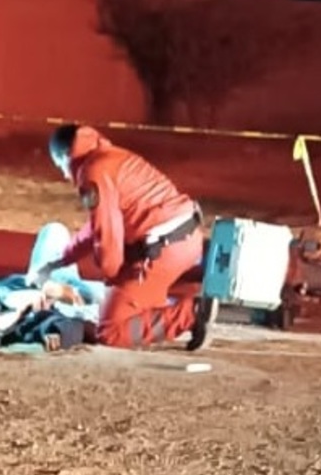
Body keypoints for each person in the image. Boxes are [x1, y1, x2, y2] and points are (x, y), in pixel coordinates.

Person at [30, 123, 217, 351]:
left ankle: (190, 314)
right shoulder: (111, 157)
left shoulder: (92, 173)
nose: (64, 175)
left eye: (61, 167)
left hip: (160, 252)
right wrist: (59, 261)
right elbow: (95, 228)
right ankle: (185, 303)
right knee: (134, 304)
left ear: (66, 156)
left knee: (111, 331)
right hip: (186, 240)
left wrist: (114, 281)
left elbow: (107, 239)